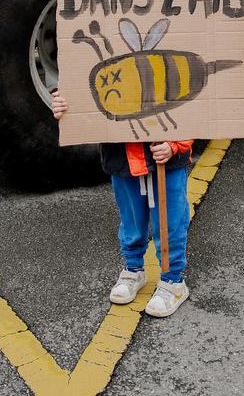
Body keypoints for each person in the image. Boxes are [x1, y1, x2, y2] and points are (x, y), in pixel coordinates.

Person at [51, 88, 193, 317]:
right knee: (131, 219)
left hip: (166, 155)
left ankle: (173, 281)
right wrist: (66, 107)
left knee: (170, 222)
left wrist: (177, 143)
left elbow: (198, 100)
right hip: (122, 154)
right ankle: (134, 268)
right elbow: (81, 86)